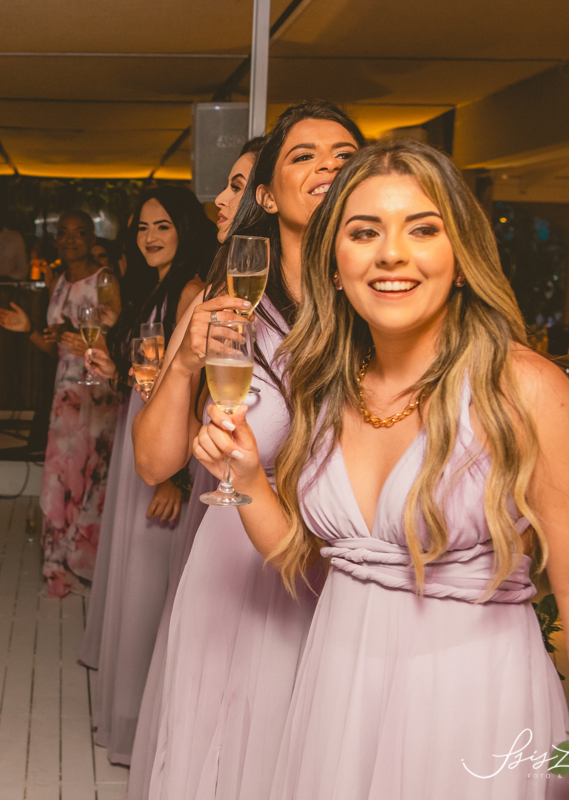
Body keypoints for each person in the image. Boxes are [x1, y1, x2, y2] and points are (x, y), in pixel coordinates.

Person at [197, 138, 569, 798]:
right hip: (337, 696)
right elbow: (316, 563)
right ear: (334, 265)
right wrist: (251, 479)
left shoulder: (524, 389)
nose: (392, 253)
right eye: (364, 232)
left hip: (471, 704)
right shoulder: (324, 386)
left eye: (422, 229)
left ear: (460, 259)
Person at [130, 104, 364, 800]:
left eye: (344, 154)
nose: (328, 165)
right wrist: (183, 364)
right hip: (233, 567)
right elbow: (154, 463)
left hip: (339, 570)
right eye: (304, 155)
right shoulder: (223, 302)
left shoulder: (378, 302)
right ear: (266, 195)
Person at [123, 136, 263, 799]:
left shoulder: (353, 303)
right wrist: (178, 369)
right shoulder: (210, 299)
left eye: (237, 186)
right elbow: (155, 458)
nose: (221, 201)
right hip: (229, 520)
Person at [77, 186, 215, 766]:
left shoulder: (190, 291)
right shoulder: (156, 288)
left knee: (148, 585)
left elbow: (198, 386)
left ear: (184, 229)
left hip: (166, 452)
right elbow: (149, 376)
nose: (151, 237)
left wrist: (174, 478)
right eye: (142, 228)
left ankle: (139, 725)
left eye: (162, 226)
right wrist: (113, 368)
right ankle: (124, 711)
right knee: (130, 572)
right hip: (141, 429)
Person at [0, 209, 119, 597]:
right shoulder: (58, 281)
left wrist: (74, 332)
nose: (70, 240)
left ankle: (87, 563)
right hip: (65, 391)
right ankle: (59, 560)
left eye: (79, 233)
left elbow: (113, 335)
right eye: (63, 233)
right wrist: (29, 329)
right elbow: (54, 349)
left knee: (92, 475)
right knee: (61, 475)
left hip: (96, 390)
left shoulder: (105, 279)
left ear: (91, 238)